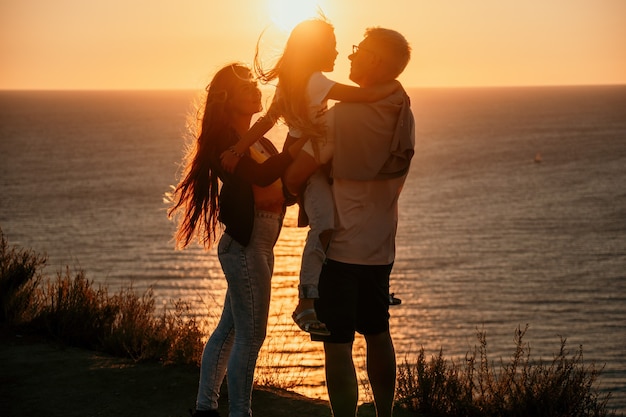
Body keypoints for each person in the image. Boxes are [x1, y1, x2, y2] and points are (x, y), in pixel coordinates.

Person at [221, 18, 400, 337]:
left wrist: (237, 148)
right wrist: (395, 86)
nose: (337, 50)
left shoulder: (292, 81)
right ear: (315, 48)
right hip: (310, 163)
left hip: (317, 159)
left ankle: (365, 285)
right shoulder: (315, 81)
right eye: (331, 45)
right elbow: (363, 97)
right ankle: (306, 298)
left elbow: (266, 121)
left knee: (350, 216)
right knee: (325, 224)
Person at [286, 27, 414, 417]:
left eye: (359, 50)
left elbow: (293, 178)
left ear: (375, 59)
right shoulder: (402, 112)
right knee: (378, 333)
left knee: (338, 344)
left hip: (339, 252)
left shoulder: (339, 121)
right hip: (380, 249)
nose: (352, 56)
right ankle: (384, 414)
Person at [167, 63, 306, 417]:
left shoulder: (258, 140)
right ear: (227, 98)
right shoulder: (224, 144)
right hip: (245, 246)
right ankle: (239, 413)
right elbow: (259, 174)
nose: (257, 91)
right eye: (247, 88)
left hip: (261, 243)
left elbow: (281, 186)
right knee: (251, 333)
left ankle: (204, 408)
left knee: (230, 330)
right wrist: (298, 148)